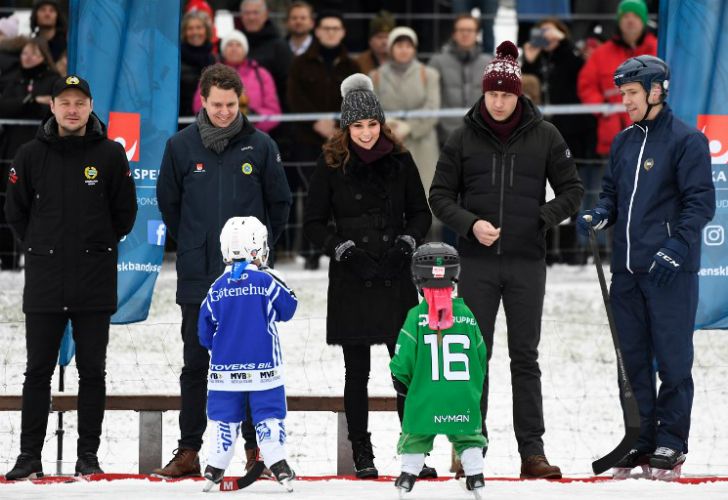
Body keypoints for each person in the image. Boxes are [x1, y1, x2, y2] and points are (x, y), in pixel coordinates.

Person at [429, 41, 583, 479]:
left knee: (525, 358)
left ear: (518, 94)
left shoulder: (546, 135)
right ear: (484, 92)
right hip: (476, 264)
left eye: (506, 94)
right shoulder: (462, 136)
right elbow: (439, 196)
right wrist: (469, 224)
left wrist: (542, 217)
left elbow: (572, 192)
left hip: (526, 263)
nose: (498, 101)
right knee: (472, 356)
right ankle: (468, 447)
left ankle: (532, 452)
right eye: (492, 94)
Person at [577, 55, 715, 480]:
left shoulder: (686, 141)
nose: (626, 101)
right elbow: (613, 196)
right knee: (632, 360)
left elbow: (701, 203)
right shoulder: (623, 142)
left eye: (632, 93)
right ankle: (639, 436)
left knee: (673, 360)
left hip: (670, 272)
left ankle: (671, 440)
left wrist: (676, 246)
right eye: (623, 94)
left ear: (657, 91)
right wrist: (600, 213)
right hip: (627, 272)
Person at [155, 63, 291, 478]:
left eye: (231, 105)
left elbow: (280, 203)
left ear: (240, 101)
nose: (224, 112)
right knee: (196, 363)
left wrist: (257, 258)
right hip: (199, 275)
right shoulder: (180, 146)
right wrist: (194, 243)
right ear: (202, 100)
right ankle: (189, 450)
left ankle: (255, 452)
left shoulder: (261, 145)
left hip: (249, 284)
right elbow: (169, 204)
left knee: (250, 366)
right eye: (217, 105)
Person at [3, 75, 137, 479]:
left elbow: (125, 214)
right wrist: (42, 245)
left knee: (93, 372)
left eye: (80, 102)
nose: (73, 109)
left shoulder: (111, 154)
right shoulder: (29, 154)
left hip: (94, 279)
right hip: (44, 280)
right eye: (65, 102)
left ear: (91, 105)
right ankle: (29, 457)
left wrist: (95, 246)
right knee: (37, 371)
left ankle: (88, 457)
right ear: (52, 106)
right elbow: (16, 212)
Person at [303, 73, 432, 478]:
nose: (365, 133)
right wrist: (343, 250)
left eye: (372, 124)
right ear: (346, 126)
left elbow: (421, 212)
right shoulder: (329, 163)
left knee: (405, 369)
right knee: (356, 372)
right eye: (357, 126)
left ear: (382, 123)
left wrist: (405, 245)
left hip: (394, 277)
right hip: (351, 278)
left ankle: (414, 450)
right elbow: (313, 222)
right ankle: (362, 450)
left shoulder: (400, 159)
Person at [199, 216, 298, 491]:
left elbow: (203, 329)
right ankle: (278, 464)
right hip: (265, 370)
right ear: (257, 249)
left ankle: (214, 467)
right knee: (268, 416)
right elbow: (289, 309)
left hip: (223, 373)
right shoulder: (266, 281)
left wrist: (219, 348)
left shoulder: (217, 287)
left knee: (225, 420)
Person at [390, 242, 487, 497]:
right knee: (468, 437)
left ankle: (408, 476)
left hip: (425, 396)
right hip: (461, 396)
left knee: (416, 434)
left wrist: (403, 383)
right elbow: (481, 356)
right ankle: (475, 475)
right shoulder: (466, 314)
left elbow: (402, 362)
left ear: (417, 278)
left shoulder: (415, 317)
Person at [287, 10, 360, 270]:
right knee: (311, 197)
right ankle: (309, 252)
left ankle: (342, 247)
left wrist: (340, 127)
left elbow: (358, 99)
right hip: (307, 140)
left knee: (341, 195)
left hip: (342, 141)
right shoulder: (300, 63)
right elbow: (294, 97)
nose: (330, 32)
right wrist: (315, 121)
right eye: (325, 28)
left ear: (342, 33)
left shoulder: (352, 66)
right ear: (317, 31)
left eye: (335, 28)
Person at [521, 17, 598, 265]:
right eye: (541, 32)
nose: (546, 36)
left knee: (567, 192)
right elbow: (525, 92)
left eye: (551, 32)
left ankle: (570, 248)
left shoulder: (571, 57)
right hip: (536, 134)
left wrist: (562, 43)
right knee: (537, 193)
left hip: (568, 134)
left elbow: (576, 73)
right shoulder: (534, 59)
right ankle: (544, 249)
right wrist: (529, 61)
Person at [0, 37, 59, 271]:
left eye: (33, 53)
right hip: (11, 149)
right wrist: (32, 101)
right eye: (24, 53)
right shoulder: (13, 80)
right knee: (8, 202)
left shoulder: (55, 81)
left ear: (44, 56)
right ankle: (8, 256)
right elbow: (5, 105)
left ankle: (40, 254)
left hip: (42, 151)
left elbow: (55, 109)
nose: (27, 57)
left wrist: (32, 104)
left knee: (40, 203)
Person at [577, 0, 657, 157]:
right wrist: (603, 109)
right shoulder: (601, 54)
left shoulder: (659, 49)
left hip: (652, 137)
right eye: (625, 16)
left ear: (644, 21)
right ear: (618, 22)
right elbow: (586, 85)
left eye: (636, 16)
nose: (630, 20)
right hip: (613, 139)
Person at [371, 26, 440, 195]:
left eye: (408, 46)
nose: (404, 50)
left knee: (423, 189)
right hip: (388, 141)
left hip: (422, 142)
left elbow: (432, 108)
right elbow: (372, 108)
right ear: (390, 48)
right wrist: (390, 127)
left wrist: (408, 128)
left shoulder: (429, 74)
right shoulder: (375, 76)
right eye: (399, 45)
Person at [192, 30, 280, 133]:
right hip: (219, 136)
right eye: (229, 44)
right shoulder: (211, 74)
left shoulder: (261, 74)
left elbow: (274, 112)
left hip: (253, 135)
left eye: (238, 45)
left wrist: (255, 117)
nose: (234, 48)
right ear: (223, 50)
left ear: (245, 49)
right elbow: (199, 106)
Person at [428, 14, 493, 147]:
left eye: (470, 30)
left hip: (482, 136)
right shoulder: (437, 62)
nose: (465, 34)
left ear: (477, 34)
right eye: (461, 30)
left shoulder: (490, 62)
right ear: (454, 34)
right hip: (446, 137)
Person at [235, 0, 292, 110]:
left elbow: (287, 86)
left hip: (272, 118)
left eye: (256, 13)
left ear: (266, 15)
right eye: (247, 13)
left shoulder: (279, 47)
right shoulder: (233, 44)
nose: (251, 17)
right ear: (241, 16)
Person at [179, 10, 216, 117]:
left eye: (199, 28)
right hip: (183, 121)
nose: (195, 32)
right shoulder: (176, 59)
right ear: (184, 33)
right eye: (190, 28)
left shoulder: (214, 59)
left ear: (206, 31)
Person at [354, 10, 395, 75]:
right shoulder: (359, 63)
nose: (384, 42)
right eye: (380, 37)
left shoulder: (400, 60)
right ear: (370, 40)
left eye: (387, 37)